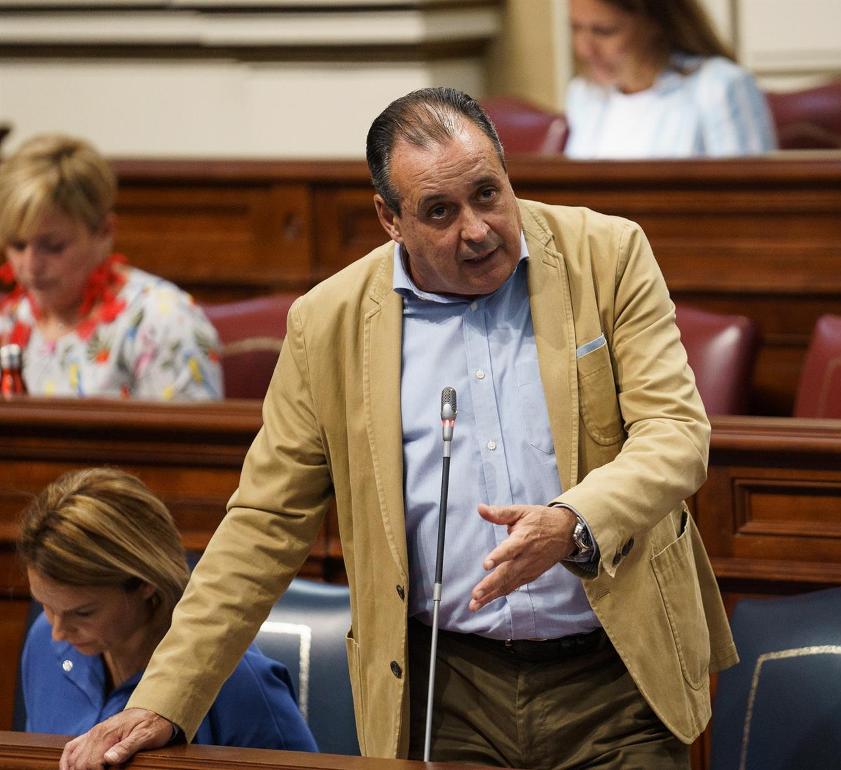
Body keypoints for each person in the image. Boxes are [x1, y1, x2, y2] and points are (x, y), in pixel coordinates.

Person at [61, 87, 734, 770]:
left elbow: (675, 433)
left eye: (488, 194)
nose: (476, 229)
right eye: (440, 211)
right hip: (448, 688)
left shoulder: (606, 255)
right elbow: (262, 526)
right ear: (390, 217)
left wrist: (573, 520)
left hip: (615, 671)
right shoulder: (329, 324)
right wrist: (163, 699)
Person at [19, 467, 316, 751]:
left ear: (145, 583)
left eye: (83, 613)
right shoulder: (43, 639)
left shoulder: (242, 682)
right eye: (46, 605)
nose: (57, 632)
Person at [0, 134, 222, 400]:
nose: (31, 266)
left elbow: (192, 440)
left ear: (105, 232)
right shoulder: (10, 319)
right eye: (17, 245)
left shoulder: (163, 321)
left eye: (53, 246)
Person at [564, 0, 776, 159]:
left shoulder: (721, 85)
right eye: (575, 28)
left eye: (604, 31)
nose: (584, 49)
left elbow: (749, 200)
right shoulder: (584, 93)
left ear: (655, 23)